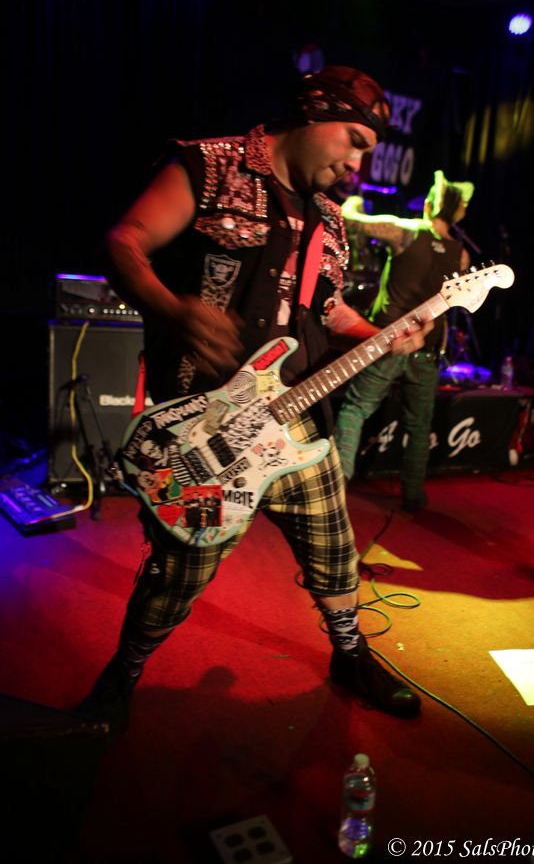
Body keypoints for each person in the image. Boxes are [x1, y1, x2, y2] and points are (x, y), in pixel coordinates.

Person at [77, 66, 431, 727]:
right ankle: (122, 672)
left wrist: (384, 334)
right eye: (354, 141)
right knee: (178, 572)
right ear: (313, 114)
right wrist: (173, 310)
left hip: (299, 419)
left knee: (335, 553)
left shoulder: (330, 219)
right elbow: (124, 242)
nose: (359, 164)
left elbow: (326, 309)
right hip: (207, 427)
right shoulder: (210, 166)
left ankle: (350, 655)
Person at [334, 171, 474, 510]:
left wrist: (354, 201)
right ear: (459, 214)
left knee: (355, 409)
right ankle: (413, 495)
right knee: (419, 425)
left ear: (428, 205)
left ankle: (336, 488)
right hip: (427, 347)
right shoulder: (461, 255)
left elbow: (350, 221)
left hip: (388, 340)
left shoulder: (405, 231)